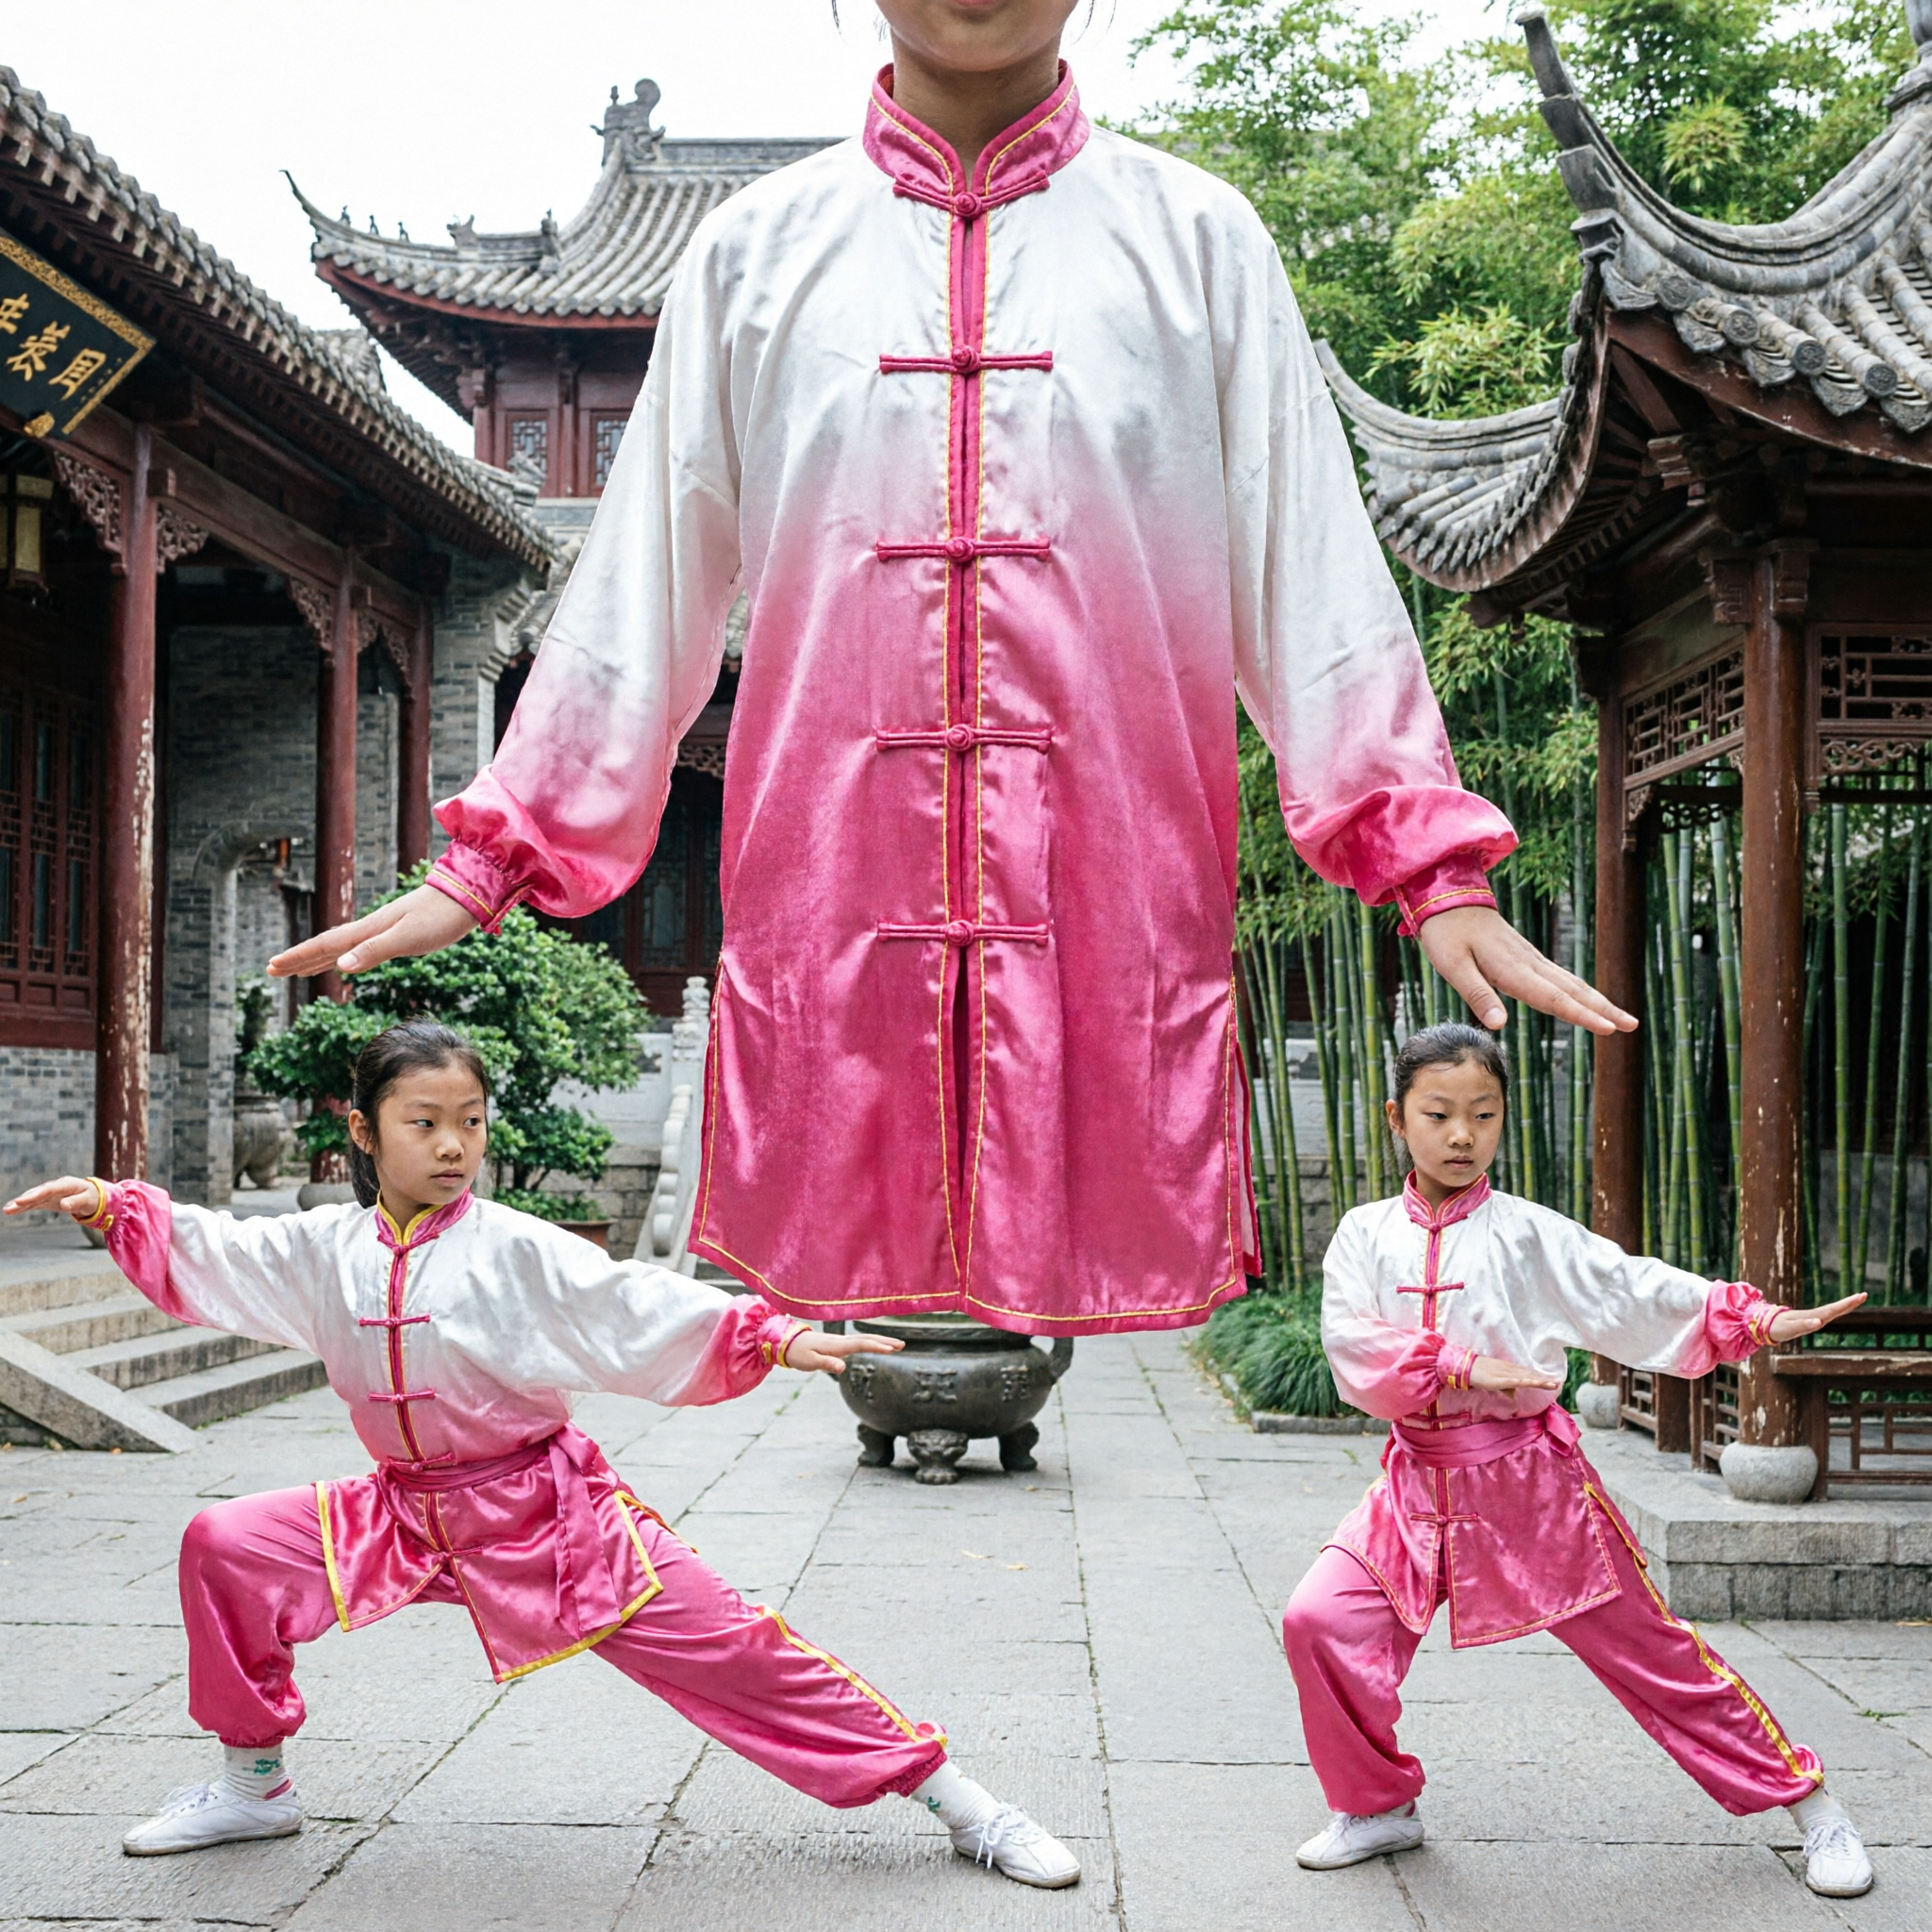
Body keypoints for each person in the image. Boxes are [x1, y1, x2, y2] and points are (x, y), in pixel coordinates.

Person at [267, 0, 1633, 1338]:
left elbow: (1310, 570)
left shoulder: (1201, 245)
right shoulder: (752, 255)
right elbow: (642, 587)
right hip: (834, 913)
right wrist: (501, 854)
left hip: (1106, 911)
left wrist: (1424, 860)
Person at [3, 1022, 1079, 1888]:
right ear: (362, 1130)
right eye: (422, 1121)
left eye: (468, 1120)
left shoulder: (516, 1246)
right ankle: (253, 1782)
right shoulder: (322, 1246)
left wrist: (778, 1335)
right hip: (401, 1514)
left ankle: (960, 1799)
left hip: (548, 1517)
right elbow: (218, 1250)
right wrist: (114, 1205)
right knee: (224, 1541)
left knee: (742, 1649)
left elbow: (634, 1304)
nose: (453, 1144)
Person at [1280, 1023, 1874, 1899]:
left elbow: (1627, 1287)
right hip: (1412, 1485)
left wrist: (1746, 1318)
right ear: (1395, 1121)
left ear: (1502, 1121)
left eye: (1483, 1115)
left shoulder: (1528, 1234)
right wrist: (1458, 1365)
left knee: (1655, 1655)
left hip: (1531, 1487)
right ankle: (1376, 1807)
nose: (1460, 1135)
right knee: (1318, 1621)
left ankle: (1812, 1806)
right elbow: (1353, 1348)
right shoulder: (1364, 1236)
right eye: (1438, 1114)